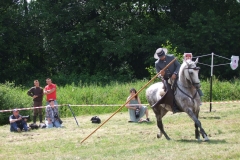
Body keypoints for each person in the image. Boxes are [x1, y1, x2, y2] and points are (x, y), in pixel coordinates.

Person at [153, 48, 181, 113]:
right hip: (166, 79)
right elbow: (159, 75)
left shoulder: (171, 57)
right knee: (169, 92)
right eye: (160, 57)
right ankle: (174, 107)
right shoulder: (157, 63)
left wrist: (175, 73)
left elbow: (178, 65)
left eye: (163, 56)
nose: (162, 58)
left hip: (176, 76)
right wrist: (162, 74)